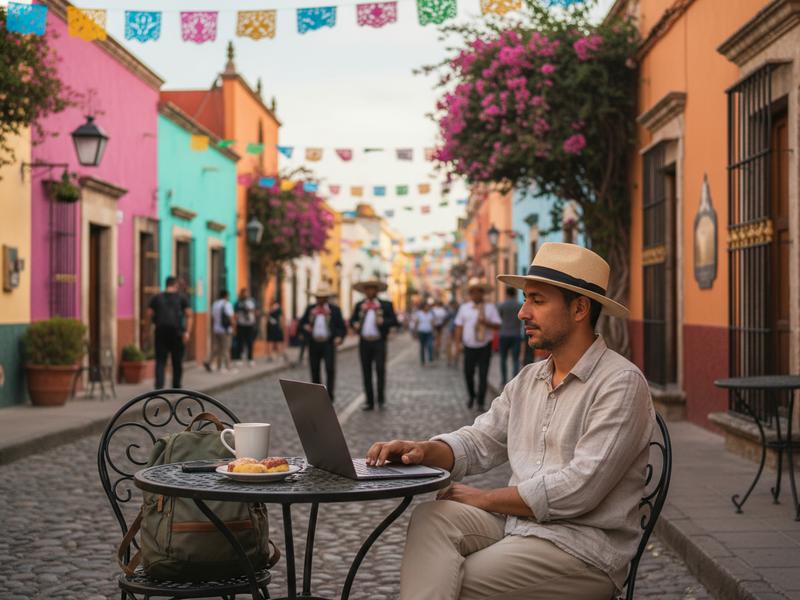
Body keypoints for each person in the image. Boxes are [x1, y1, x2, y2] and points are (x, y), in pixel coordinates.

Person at [366, 242, 654, 600]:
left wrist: (486, 498)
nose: (522, 312)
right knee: (431, 519)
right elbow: (480, 441)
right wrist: (423, 450)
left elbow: (581, 488)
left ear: (579, 308)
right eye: (525, 299)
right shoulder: (528, 379)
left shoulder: (620, 383)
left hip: (582, 548)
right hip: (520, 527)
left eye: (537, 300)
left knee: (452, 581)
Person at [349, 278, 399, 411]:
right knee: (366, 371)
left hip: (379, 342)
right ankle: (369, 401)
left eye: (372, 288)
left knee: (380, 370)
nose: (370, 291)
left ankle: (381, 400)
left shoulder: (386, 305)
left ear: (376, 290)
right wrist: (354, 324)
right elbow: (352, 320)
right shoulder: (360, 305)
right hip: (364, 342)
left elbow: (394, 321)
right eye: (367, 288)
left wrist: (384, 322)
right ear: (365, 291)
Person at [453, 278, 501, 410]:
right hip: (469, 347)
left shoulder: (490, 308)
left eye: (478, 292)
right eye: (472, 292)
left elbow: (498, 326)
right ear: (470, 294)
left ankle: (480, 402)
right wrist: (457, 345)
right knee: (468, 373)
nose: (475, 295)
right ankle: (472, 396)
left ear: (482, 293)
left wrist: (486, 322)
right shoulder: (464, 308)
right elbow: (458, 326)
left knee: (483, 375)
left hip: (485, 346)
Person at [298, 284, 347, 402]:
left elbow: (342, 327)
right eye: (318, 297)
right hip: (314, 344)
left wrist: (339, 337)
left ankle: (329, 396)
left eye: (322, 297)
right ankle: (317, 395)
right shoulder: (310, 309)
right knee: (314, 369)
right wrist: (305, 327)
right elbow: (301, 324)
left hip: (328, 344)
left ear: (326, 298)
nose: (319, 299)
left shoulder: (334, 310)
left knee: (330, 369)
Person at [148, 276, 192, 389]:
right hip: (177, 333)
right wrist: (187, 332)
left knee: (160, 361)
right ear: (175, 285)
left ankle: (159, 386)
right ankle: (176, 386)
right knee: (177, 361)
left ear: (166, 284)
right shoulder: (182, 298)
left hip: (160, 332)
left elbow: (149, 313)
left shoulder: (157, 298)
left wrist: (148, 329)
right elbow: (189, 315)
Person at [497, 286, 524, 385]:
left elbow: (498, 318)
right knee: (515, 359)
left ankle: (503, 380)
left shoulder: (502, 305)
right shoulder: (519, 305)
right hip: (516, 334)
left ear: (506, 294)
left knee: (503, 359)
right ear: (515, 294)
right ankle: (515, 381)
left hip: (504, 334)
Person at [206, 289, 237, 373]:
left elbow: (212, 318)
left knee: (218, 347)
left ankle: (212, 363)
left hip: (216, 329)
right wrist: (234, 328)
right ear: (226, 296)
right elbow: (231, 317)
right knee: (226, 348)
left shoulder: (215, 304)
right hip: (225, 329)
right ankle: (227, 366)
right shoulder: (227, 304)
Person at [234, 288, 257, 367]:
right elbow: (235, 314)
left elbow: (255, 311)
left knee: (250, 342)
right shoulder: (238, 303)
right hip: (241, 324)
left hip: (250, 324)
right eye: (244, 293)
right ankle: (238, 358)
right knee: (240, 342)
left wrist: (250, 311)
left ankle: (250, 359)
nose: (245, 295)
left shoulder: (252, 301)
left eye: (246, 293)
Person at [411, 298, 436, 366]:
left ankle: (431, 357)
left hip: (429, 332)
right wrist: (415, 332)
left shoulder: (431, 314)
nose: (427, 307)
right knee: (422, 347)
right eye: (426, 306)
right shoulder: (419, 313)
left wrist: (433, 331)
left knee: (430, 345)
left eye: (428, 306)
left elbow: (432, 323)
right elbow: (416, 323)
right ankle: (423, 361)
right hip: (421, 332)